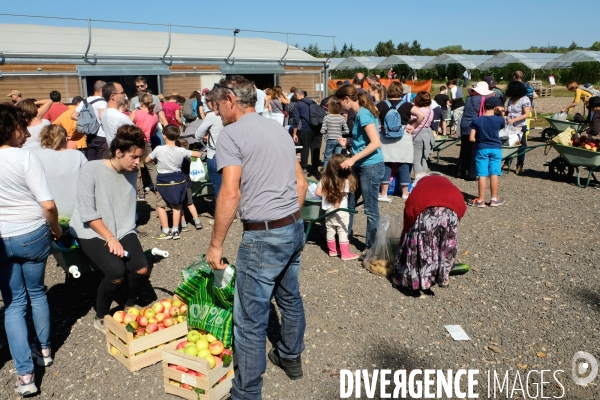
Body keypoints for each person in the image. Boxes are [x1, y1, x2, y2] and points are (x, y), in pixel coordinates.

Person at [205, 75, 307, 400]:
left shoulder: (231, 134)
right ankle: (291, 357)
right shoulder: (277, 129)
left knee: (249, 319)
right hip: (293, 224)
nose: (217, 111)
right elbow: (301, 184)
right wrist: (287, 215)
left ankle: (246, 394)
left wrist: (215, 244)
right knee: (289, 296)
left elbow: (230, 194)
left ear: (231, 101)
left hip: (263, 234)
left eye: (218, 105)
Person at [0, 103, 62, 396]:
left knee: (13, 304)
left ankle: (25, 376)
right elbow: (48, 204)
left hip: (2, 238)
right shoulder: (24, 158)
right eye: (21, 127)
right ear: (10, 129)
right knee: (37, 292)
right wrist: (57, 229)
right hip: (32, 233)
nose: (26, 133)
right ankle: (45, 350)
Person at [70, 125, 149, 333]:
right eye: (133, 157)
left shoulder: (131, 171)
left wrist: (120, 236)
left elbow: (125, 211)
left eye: (139, 157)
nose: (137, 162)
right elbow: (88, 214)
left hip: (122, 227)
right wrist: (110, 238)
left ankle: (129, 304)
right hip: (91, 229)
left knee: (141, 267)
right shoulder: (91, 169)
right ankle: (101, 315)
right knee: (116, 271)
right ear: (118, 152)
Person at [391, 174, 466, 295]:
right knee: (446, 244)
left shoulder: (419, 187)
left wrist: (406, 232)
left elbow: (409, 212)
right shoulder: (447, 183)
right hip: (452, 207)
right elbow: (462, 206)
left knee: (421, 244)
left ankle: (412, 281)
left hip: (425, 209)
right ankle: (444, 278)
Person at [334, 84, 384, 252]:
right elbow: (364, 140)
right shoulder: (358, 114)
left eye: (340, 102)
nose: (340, 106)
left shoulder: (363, 114)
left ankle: (372, 248)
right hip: (360, 165)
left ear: (347, 99)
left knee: (370, 209)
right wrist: (349, 142)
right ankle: (344, 236)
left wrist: (352, 158)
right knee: (349, 203)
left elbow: (376, 143)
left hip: (370, 167)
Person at [147, 124, 202, 240]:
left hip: (163, 180)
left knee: (160, 205)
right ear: (177, 137)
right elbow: (198, 154)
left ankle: (166, 230)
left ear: (164, 135)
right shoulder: (181, 150)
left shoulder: (159, 149)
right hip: (178, 179)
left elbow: (147, 160)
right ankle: (176, 230)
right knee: (176, 205)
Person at [375, 82, 424, 200]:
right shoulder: (407, 105)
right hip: (403, 136)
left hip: (385, 137)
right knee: (404, 164)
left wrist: (379, 125)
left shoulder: (381, 104)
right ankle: (405, 193)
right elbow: (421, 115)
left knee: (386, 164)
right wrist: (413, 126)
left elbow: (371, 114)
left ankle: (383, 193)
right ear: (401, 91)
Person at [33, 125, 88, 217]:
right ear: (66, 139)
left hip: (44, 212)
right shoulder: (77, 155)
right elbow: (88, 180)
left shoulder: (35, 155)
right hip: (74, 211)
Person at [315, 153, 358, 260]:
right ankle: (345, 254)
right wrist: (336, 206)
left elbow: (317, 192)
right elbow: (339, 196)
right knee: (342, 231)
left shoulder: (324, 179)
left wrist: (327, 196)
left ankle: (333, 251)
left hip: (328, 210)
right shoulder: (345, 181)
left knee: (330, 230)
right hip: (340, 211)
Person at [467, 97, 505, 207]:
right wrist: (501, 113)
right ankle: (494, 199)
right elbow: (502, 126)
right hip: (496, 148)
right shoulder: (500, 120)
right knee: (494, 173)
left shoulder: (477, 120)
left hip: (482, 148)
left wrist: (479, 140)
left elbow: (471, 138)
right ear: (496, 107)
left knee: (482, 175)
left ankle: (481, 200)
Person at [458, 81, 494, 180]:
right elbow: (483, 113)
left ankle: (460, 172)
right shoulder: (483, 99)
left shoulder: (468, 98)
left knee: (464, 149)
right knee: (474, 150)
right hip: (474, 125)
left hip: (464, 124)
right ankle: (472, 173)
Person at [195, 90, 224, 198]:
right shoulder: (230, 113)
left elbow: (198, 135)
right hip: (232, 153)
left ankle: (222, 214)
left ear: (209, 101)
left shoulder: (211, 115)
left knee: (218, 187)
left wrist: (206, 137)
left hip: (215, 153)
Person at [130, 93, 159, 200]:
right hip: (147, 142)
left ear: (141, 102)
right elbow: (153, 131)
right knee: (151, 166)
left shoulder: (136, 113)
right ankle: (158, 190)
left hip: (135, 141)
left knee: (135, 166)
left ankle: (140, 192)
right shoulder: (155, 116)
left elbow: (129, 124)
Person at [71, 80, 108, 161]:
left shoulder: (84, 101)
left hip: (89, 135)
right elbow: (101, 116)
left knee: (91, 161)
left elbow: (73, 115)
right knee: (101, 162)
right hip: (101, 135)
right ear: (102, 89)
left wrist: (87, 121)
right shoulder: (103, 102)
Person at [502, 81, 531, 175]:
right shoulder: (511, 99)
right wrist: (503, 112)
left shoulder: (525, 99)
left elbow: (526, 114)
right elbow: (509, 112)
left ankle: (520, 165)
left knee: (521, 146)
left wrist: (514, 120)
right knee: (509, 143)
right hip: (510, 126)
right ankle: (507, 162)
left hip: (520, 126)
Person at [292, 88, 322, 174]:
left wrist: (295, 133)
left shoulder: (298, 104)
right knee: (316, 148)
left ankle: (304, 167)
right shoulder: (313, 102)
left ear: (297, 95)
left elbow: (296, 120)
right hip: (317, 128)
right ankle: (315, 168)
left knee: (305, 147)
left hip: (305, 129)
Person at [175, 139, 203, 231]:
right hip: (187, 183)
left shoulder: (177, 159)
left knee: (180, 205)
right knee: (190, 203)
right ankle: (197, 221)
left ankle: (183, 225)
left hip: (178, 183)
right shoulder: (188, 159)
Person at [411, 92, 435, 180]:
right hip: (426, 134)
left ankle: (418, 179)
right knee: (423, 158)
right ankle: (424, 177)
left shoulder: (418, 110)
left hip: (417, 134)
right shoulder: (430, 109)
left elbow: (410, 119)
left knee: (416, 159)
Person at [101, 82, 134, 146]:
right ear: (112, 96)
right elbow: (138, 134)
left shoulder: (104, 113)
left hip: (113, 152)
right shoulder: (119, 116)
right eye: (122, 93)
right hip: (123, 153)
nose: (124, 95)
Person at [321, 98, 348, 167]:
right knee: (338, 158)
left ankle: (326, 173)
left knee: (327, 157)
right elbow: (346, 130)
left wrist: (326, 137)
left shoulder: (326, 117)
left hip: (330, 139)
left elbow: (322, 130)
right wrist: (340, 133)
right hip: (339, 140)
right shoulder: (341, 118)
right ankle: (337, 173)